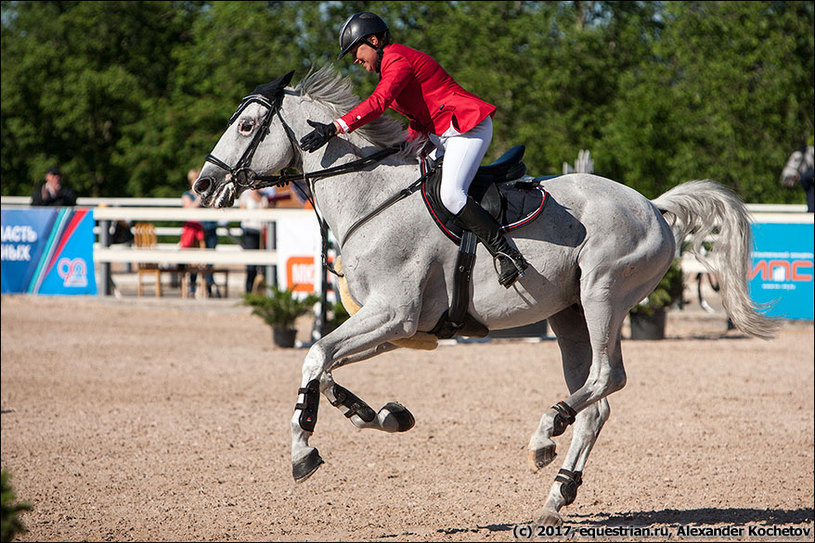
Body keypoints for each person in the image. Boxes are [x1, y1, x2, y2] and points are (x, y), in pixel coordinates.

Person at [298, 11, 528, 288]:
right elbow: (418, 119)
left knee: (452, 196)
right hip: (442, 135)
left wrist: (336, 127)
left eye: (356, 52)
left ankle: (507, 254)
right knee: (416, 182)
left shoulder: (397, 59)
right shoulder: (390, 64)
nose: (355, 60)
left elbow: (379, 102)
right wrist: (400, 148)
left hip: (467, 129)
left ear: (373, 40)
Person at [181, 168, 219, 297]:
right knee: (194, 261)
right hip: (196, 232)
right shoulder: (187, 195)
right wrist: (199, 197)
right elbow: (189, 209)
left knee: (209, 261)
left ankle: (209, 287)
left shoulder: (208, 194)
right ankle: (192, 288)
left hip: (209, 228)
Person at [239, 187, 271, 294]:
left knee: (263, 266)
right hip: (250, 231)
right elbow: (242, 213)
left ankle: (261, 291)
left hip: (261, 232)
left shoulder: (264, 198)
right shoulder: (246, 197)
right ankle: (248, 290)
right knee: (251, 265)